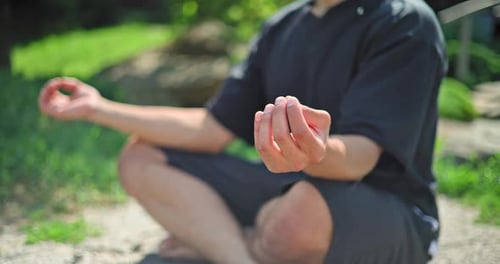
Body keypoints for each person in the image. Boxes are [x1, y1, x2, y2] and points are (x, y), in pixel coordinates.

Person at [38, 0, 447, 263]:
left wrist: (313, 152)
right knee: (140, 157)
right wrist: (100, 108)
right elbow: (210, 128)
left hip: (385, 205)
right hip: (286, 183)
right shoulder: (281, 26)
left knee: (299, 211)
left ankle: (220, 240)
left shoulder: (404, 21)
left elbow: (361, 158)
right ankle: (243, 254)